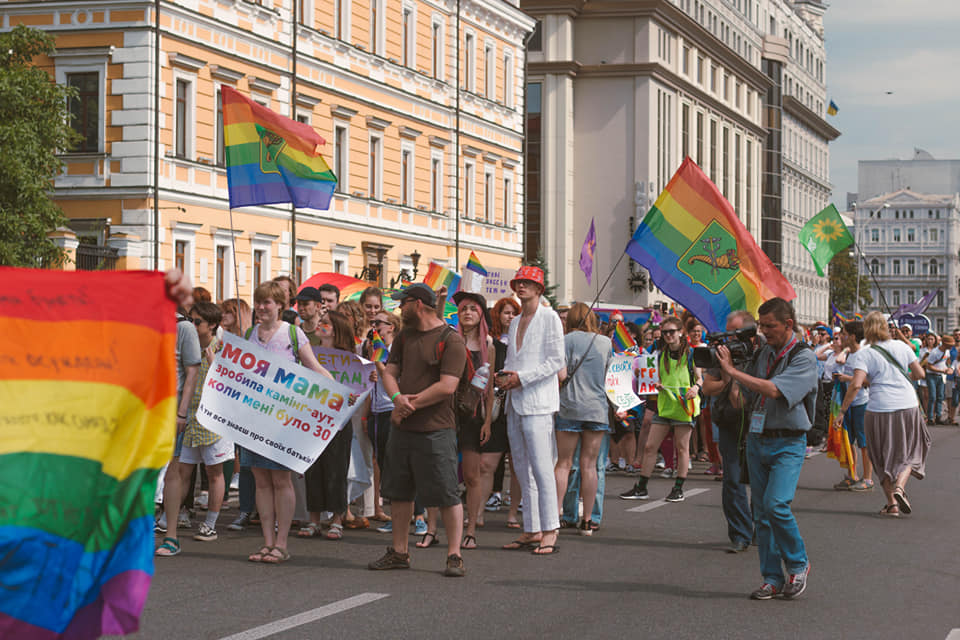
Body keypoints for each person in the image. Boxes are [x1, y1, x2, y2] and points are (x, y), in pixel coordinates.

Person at [716, 297, 818, 601]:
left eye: (769, 326)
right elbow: (747, 394)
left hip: (788, 441)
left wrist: (733, 372)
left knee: (776, 504)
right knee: (761, 515)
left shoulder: (804, 357)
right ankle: (772, 578)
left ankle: (798, 564)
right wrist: (730, 378)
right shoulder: (764, 353)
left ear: (788, 324)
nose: (763, 331)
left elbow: (774, 390)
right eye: (760, 325)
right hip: (758, 439)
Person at [368, 283, 468, 577]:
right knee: (399, 492)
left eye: (404, 302)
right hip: (403, 427)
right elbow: (390, 372)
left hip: (436, 429)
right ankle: (399, 551)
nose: (399, 308)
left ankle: (454, 554)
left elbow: (448, 386)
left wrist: (410, 404)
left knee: (447, 492)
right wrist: (397, 399)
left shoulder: (452, 341)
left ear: (420, 305)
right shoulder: (404, 336)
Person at [242, 281, 333, 564]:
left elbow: (314, 369)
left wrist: (339, 396)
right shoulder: (249, 334)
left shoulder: (292, 334)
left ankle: (281, 543)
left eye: (267, 302)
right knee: (260, 480)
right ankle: (267, 542)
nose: (261, 307)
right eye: (258, 302)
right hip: (253, 419)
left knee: (281, 480)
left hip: (283, 420)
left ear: (280, 305)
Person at [497, 266, 565, 556]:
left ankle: (550, 529)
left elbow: (555, 361)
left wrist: (522, 378)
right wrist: (506, 377)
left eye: (527, 283)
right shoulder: (514, 322)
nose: (521, 287)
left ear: (539, 289)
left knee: (541, 466)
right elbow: (514, 358)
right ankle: (532, 528)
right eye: (519, 283)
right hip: (515, 400)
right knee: (521, 466)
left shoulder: (549, 318)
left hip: (538, 400)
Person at [834, 312, 930, 518]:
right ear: (887, 328)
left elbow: (857, 384)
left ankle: (892, 504)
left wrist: (842, 411)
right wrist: (903, 380)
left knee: (880, 455)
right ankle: (900, 488)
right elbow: (920, 375)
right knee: (910, 450)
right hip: (907, 405)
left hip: (878, 408)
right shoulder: (903, 347)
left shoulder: (864, 353)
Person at [620, 316, 701, 503]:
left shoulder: (691, 354)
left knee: (682, 448)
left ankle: (678, 488)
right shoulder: (659, 354)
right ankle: (641, 488)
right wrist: (656, 384)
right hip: (664, 407)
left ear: (681, 332)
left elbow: (699, 378)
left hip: (683, 407)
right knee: (649, 447)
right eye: (665, 332)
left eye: (671, 331)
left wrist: (695, 388)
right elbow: (652, 376)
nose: (668, 335)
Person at [298, 310, 357, 540]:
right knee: (313, 469)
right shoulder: (309, 353)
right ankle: (314, 520)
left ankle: (337, 519)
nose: (320, 325)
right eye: (321, 322)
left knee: (336, 469)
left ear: (337, 329)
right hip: (313, 418)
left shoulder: (350, 359)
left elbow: (357, 388)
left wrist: (367, 381)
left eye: (326, 323)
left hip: (339, 422)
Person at [555, 302, 612, 535]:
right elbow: (609, 373)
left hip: (569, 406)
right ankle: (588, 520)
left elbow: (561, 374)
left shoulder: (565, 340)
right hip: (597, 408)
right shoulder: (606, 342)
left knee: (564, 464)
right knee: (590, 466)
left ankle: (556, 514)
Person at [177, 302, 232, 543]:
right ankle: (174, 514)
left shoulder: (222, 348)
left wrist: (213, 364)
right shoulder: (187, 345)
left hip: (215, 419)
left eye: (197, 321)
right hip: (191, 416)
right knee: (183, 469)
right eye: (190, 319)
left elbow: (233, 384)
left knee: (214, 472)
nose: (192, 324)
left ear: (212, 325)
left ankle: (210, 523)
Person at [702, 310, 755, 553]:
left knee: (760, 480)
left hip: (756, 423)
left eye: (733, 334)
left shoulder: (761, 352)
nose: (729, 339)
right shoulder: (722, 354)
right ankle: (741, 534)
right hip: (728, 421)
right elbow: (708, 387)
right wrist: (726, 374)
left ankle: (760, 529)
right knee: (732, 479)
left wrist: (735, 373)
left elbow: (747, 397)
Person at [154, 301, 202, 557]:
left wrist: (182, 411)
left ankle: (171, 535)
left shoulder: (183, 327)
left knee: (172, 471)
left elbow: (192, 371)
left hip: (171, 410)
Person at [453, 291, 500, 550]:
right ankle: (437, 527)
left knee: (472, 476)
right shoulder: (451, 339)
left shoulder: (488, 346)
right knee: (446, 475)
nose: (468, 313)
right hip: (448, 414)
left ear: (481, 314)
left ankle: (470, 528)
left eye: (472, 308)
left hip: (473, 416)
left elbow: (490, 387)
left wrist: (487, 422)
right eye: (463, 309)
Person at [487, 296, 522, 524]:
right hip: (497, 401)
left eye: (512, 312)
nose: (509, 317)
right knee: (495, 454)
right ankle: (495, 492)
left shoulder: (522, 340)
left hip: (517, 399)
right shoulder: (494, 342)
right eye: (505, 312)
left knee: (517, 455)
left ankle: (514, 498)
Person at [831, 320, 874, 492]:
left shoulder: (864, 355)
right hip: (848, 402)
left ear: (853, 336)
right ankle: (852, 475)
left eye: (844, 333)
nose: (841, 336)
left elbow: (867, 381)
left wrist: (847, 379)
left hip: (860, 403)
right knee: (848, 440)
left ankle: (868, 478)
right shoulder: (850, 353)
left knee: (863, 442)